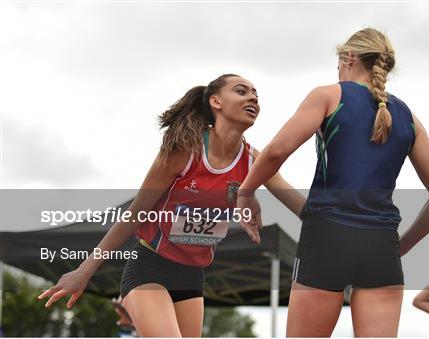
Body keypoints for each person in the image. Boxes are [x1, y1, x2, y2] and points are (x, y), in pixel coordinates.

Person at [37, 74, 305, 337]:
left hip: (192, 276)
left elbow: (299, 204)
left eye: (256, 94)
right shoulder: (184, 150)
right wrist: (84, 270)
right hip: (149, 268)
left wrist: (336, 222)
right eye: (241, 91)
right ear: (216, 101)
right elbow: (135, 214)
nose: (253, 98)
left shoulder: (253, 161)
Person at [237, 28, 429, 337]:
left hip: (325, 240)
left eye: (338, 64)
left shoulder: (328, 95)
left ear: (348, 58)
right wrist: (400, 247)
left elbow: (276, 151)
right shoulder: (407, 117)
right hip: (381, 246)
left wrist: (245, 193)